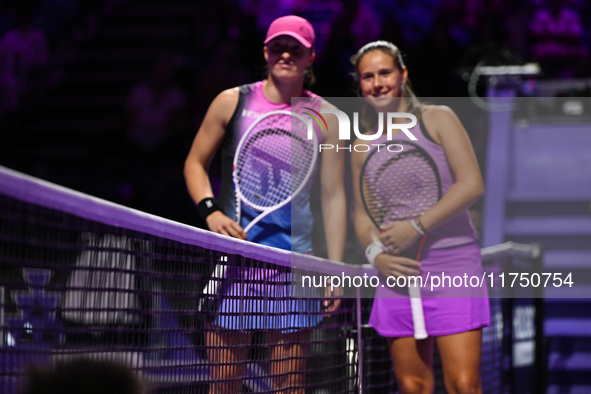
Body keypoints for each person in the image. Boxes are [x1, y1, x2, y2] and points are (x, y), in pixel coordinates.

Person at [184, 16, 346, 394]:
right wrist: (211, 211)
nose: (285, 54)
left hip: (294, 266)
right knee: (225, 383)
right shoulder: (232, 101)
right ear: (265, 52)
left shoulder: (329, 117)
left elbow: (334, 195)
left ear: (311, 58)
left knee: (289, 386)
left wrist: (334, 266)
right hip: (234, 265)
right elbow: (195, 163)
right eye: (278, 46)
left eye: (296, 49)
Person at [350, 41, 489, 394]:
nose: (377, 83)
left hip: (454, 265)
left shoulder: (438, 117)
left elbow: (471, 185)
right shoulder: (361, 146)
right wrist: (376, 256)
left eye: (385, 73)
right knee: (413, 387)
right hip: (396, 273)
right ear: (360, 84)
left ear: (403, 75)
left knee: (463, 384)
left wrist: (417, 226)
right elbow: (362, 215)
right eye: (368, 77)